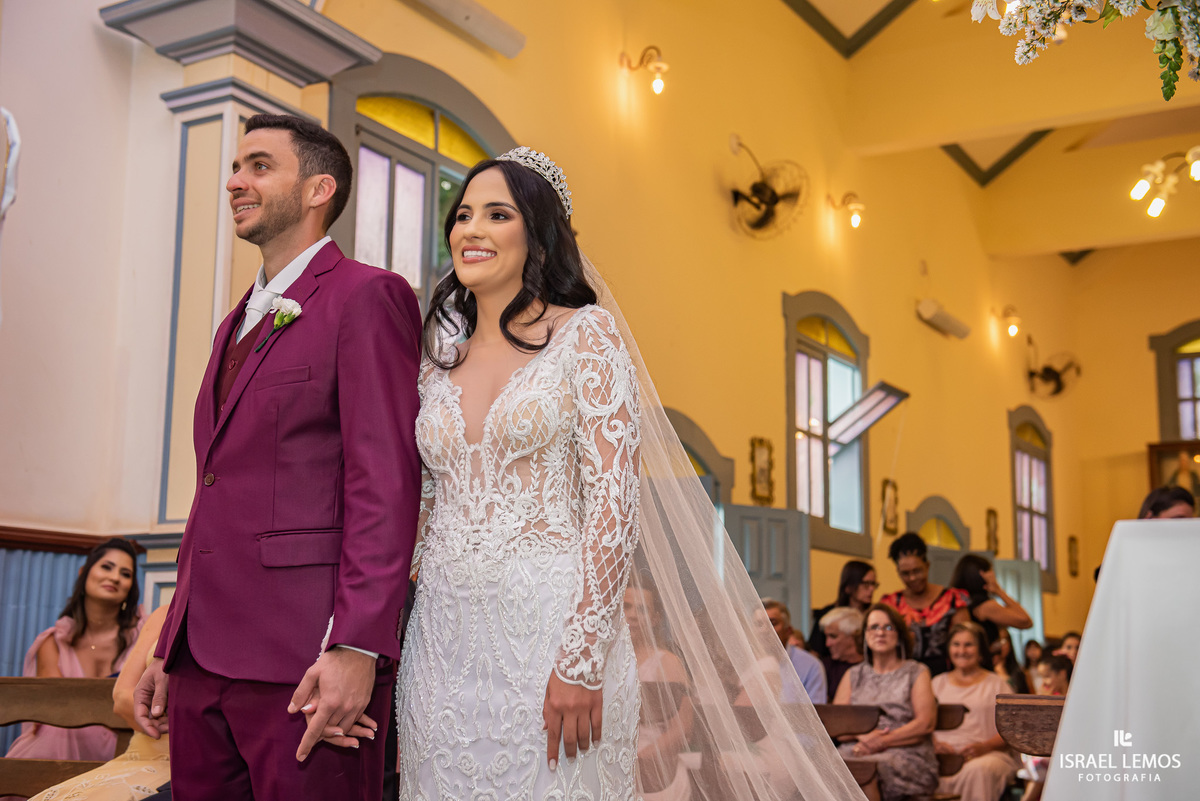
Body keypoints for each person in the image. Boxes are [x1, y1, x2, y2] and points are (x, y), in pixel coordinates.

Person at [396, 147, 863, 799]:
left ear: (537, 232)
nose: (470, 229)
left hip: (552, 635)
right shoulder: (435, 360)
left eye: (496, 214)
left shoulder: (586, 337)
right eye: (462, 214)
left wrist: (583, 658)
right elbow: (420, 506)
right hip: (443, 643)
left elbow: (614, 507)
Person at [133, 114, 422, 801]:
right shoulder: (236, 318)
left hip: (307, 660)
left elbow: (385, 484)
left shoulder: (366, 296)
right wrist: (170, 643)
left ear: (319, 187)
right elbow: (214, 492)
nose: (236, 181)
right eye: (236, 167)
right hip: (203, 660)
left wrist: (356, 647)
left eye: (260, 166)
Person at [3, 538, 143, 768]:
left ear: (131, 587)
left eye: (125, 573)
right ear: (84, 572)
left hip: (124, 744)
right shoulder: (53, 642)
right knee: (48, 734)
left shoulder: (141, 637)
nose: (115, 577)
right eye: (107, 567)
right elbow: (54, 706)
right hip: (62, 744)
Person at [22, 606, 172, 801]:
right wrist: (164, 716)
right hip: (144, 752)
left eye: (125, 573)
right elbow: (122, 696)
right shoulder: (163, 614)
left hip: (196, 761)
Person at [833, 603, 938, 801]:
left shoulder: (916, 671)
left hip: (906, 753)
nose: (880, 633)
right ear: (864, 634)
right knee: (827, 764)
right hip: (859, 748)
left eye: (888, 627)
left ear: (899, 635)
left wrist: (881, 742)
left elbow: (925, 724)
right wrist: (865, 737)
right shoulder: (854, 675)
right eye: (874, 627)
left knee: (868, 770)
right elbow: (838, 724)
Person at [931, 622, 1021, 801]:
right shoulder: (936, 683)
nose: (962, 650)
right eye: (956, 644)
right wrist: (935, 744)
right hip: (942, 756)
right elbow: (924, 722)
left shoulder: (997, 684)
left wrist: (984, 747)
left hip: (987, 754)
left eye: (968, 645)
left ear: (980, 650)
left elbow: (1013, 729)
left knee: (979, 770)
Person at [626, 578, 694, 801]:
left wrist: (639, 761)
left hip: (655, 769)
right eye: (627, 607)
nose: (634, 615)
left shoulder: (667, 662)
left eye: (643, 609)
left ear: (655, 618)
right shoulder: (604, 660)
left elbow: (682, 727)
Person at [880, 532, 970, 676]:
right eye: (905, 573)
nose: (912, 578)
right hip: (902, 675)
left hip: (946, 676)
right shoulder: (891, 604)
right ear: (898, 572)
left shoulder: (952, 599)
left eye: (917, 571)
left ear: (927, 566)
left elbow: (965, 641)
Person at [1094, 486, 1195, 580]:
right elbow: (1105, 578)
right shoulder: (1130, 556)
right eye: (1178, 520)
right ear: (1150, 518)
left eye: (1191, 522)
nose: (1186, 527)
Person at [949, 553, 1032, 650]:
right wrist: (998, 591)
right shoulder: (985, 606)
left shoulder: (958, 600)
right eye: (991, 570)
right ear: (982, 575)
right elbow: (1025, 621)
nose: (994, 575)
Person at [808, 559, 876, 659]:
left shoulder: (874, 615)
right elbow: (815, 652)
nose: (871, 589)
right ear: (849, 586)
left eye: (873, 584)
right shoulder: (828, 614)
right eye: (866, 584)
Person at [763, 597, 827, 703]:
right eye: (759, 624)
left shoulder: (810, 665)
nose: (765, 629)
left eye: (772, 623)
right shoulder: (744, 663)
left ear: (788, 630)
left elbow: (816, 712)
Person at [819, 606, 865, 699]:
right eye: (826, 637)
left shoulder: (873, 667)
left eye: (833, 636)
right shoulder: (823, 667)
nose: (827, 644)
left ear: (853, 636)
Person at [992, 628, 1030, 693]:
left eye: (1004, 640)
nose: (1001, 645)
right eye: (998, 640)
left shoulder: (1018, 671)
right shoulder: (985, 670)